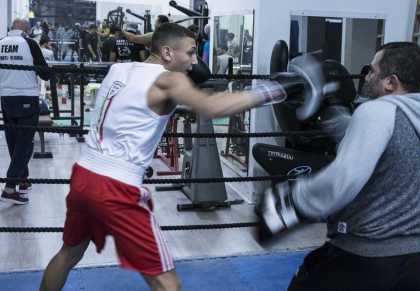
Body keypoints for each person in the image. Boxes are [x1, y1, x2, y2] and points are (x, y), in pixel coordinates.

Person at [39, 22, 305, 291]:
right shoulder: (169, 79)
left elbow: (153, 58)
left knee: (68, 254)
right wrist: (275, 90)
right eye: (190, 53)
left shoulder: (119, 69)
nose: (194, 62)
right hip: (117, 188)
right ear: (167, 53)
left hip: (84, 175)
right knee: (168, 284)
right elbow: (211, 107)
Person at [258, 42, 420, 291]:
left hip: (365, 256)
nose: (366, 76)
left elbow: (343, 179)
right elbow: (375, 141)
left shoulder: (376, 112)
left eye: (373, 70)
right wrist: (330, 107)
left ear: (391, 82)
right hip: (416, 257)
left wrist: (291, 201)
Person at [0, 19, 52, 204]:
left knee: (14, 142)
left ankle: (23, 182)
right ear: (26, 29)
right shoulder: (29, 43)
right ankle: (9, 188)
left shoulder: (1, 43)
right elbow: (45, 73)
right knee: (25, 145)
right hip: (26, 99)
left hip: (5, 99)